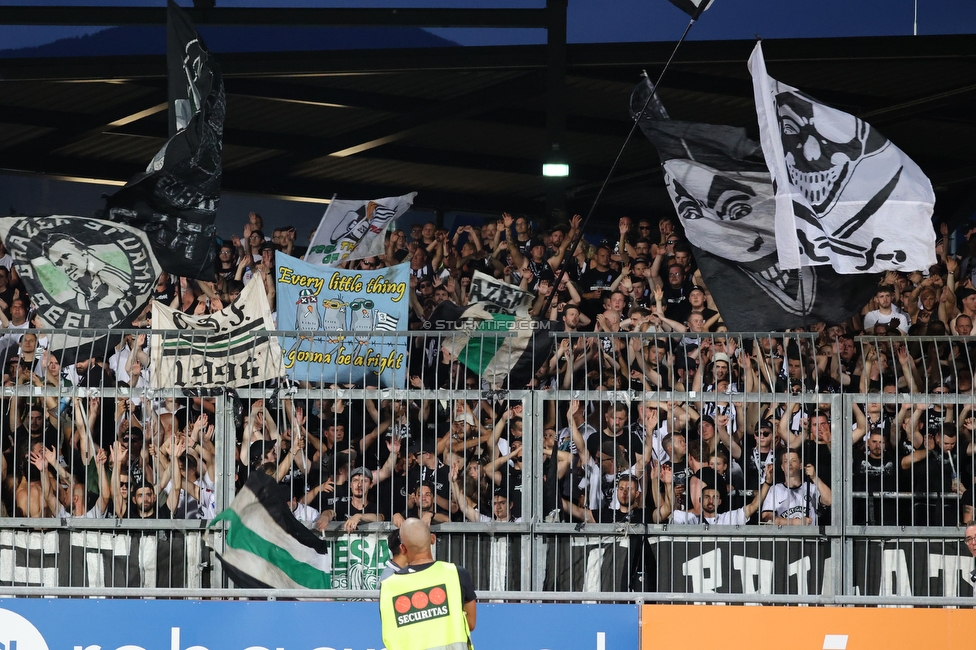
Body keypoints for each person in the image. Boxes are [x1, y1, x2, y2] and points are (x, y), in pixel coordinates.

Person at [379, 517, 476, 650]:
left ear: (403, 548)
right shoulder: (456, 573)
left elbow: (391, 632)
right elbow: (470, 623)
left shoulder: (388, 586)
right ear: (432, 539)